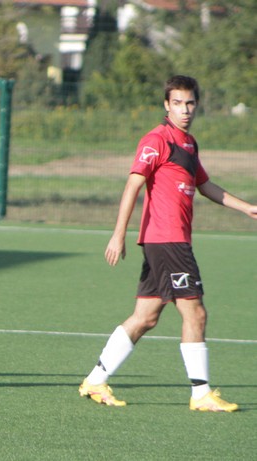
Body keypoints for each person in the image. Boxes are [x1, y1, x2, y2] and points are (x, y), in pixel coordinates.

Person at [78, 75, 257, 412]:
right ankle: (201, 393)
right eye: (177, 103)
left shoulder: (188, 143)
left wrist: (246, 207)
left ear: (197, 105)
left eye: (190, 103)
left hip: (169, 241)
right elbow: (133, 186)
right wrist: (118, 233)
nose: (184, 110)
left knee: (145, 317)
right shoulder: (157, 139)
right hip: (167, 240)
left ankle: (95, 380)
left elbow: (205, 186)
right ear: (166, 105)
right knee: (195, 312)